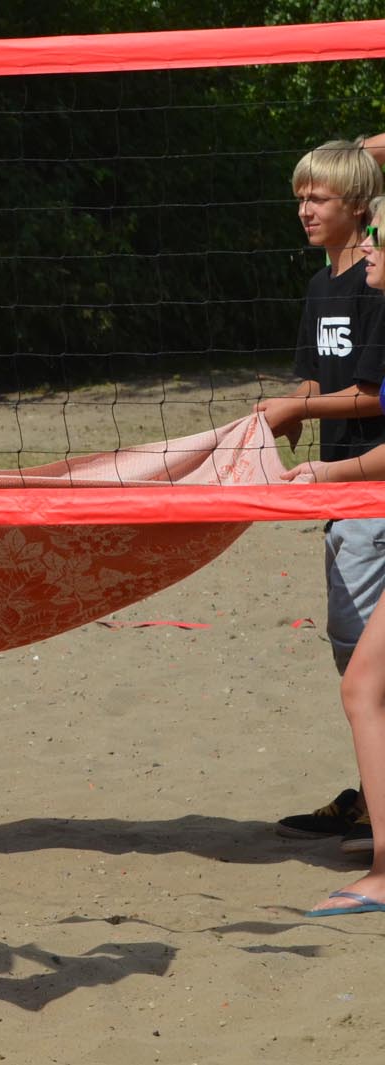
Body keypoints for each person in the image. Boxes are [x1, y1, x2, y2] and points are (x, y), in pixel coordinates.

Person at [256, 137, 385, 856]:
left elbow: (370, 394)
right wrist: (277, 411)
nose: (305, 209)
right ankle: (371, 792)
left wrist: (300, 409)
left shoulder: (377, 281)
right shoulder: (319, 286)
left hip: (369, 483)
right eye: (300, 197)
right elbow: (315, 379)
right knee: (353, 651)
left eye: (319, 198)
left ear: (359, 206)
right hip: (336, 485)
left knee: (362, 654)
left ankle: (376, 805)